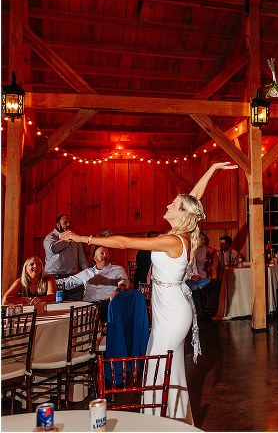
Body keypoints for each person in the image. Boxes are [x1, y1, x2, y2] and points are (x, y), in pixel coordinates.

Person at [60, 161, 237, 423]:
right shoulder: (181, 232)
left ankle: (161, 421)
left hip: (174, 311)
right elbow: (193, 199)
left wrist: (82, 238)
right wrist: (211, 169)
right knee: (167, 364)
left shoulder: (172, 240)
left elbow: (122, 241)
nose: (168, 206)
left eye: (172, 205)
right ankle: (172, 419)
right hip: (168, 306)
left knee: (159, 364)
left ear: (181, 214)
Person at [58, 246, 130, 320]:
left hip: (107, 305)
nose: (105, 255)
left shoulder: (117, 269)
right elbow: (67, 282)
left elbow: (124, 281)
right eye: (102, 253)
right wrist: (48, 281)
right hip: (88, 307)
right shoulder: (87, 272)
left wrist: (117, 291)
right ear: (95, 258)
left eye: (107, 253)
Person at [43, 214, 88, 300]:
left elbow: (82, 259)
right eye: (65, 222)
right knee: (55, 307)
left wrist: (87, 274)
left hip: (73, 278)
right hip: (54, 278)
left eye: (70, 222)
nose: (68, 224)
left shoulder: (76, 238)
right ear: (58, 225)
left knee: (74, 306)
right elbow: (54, 249)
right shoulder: (50, 237)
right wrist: (68, 238)